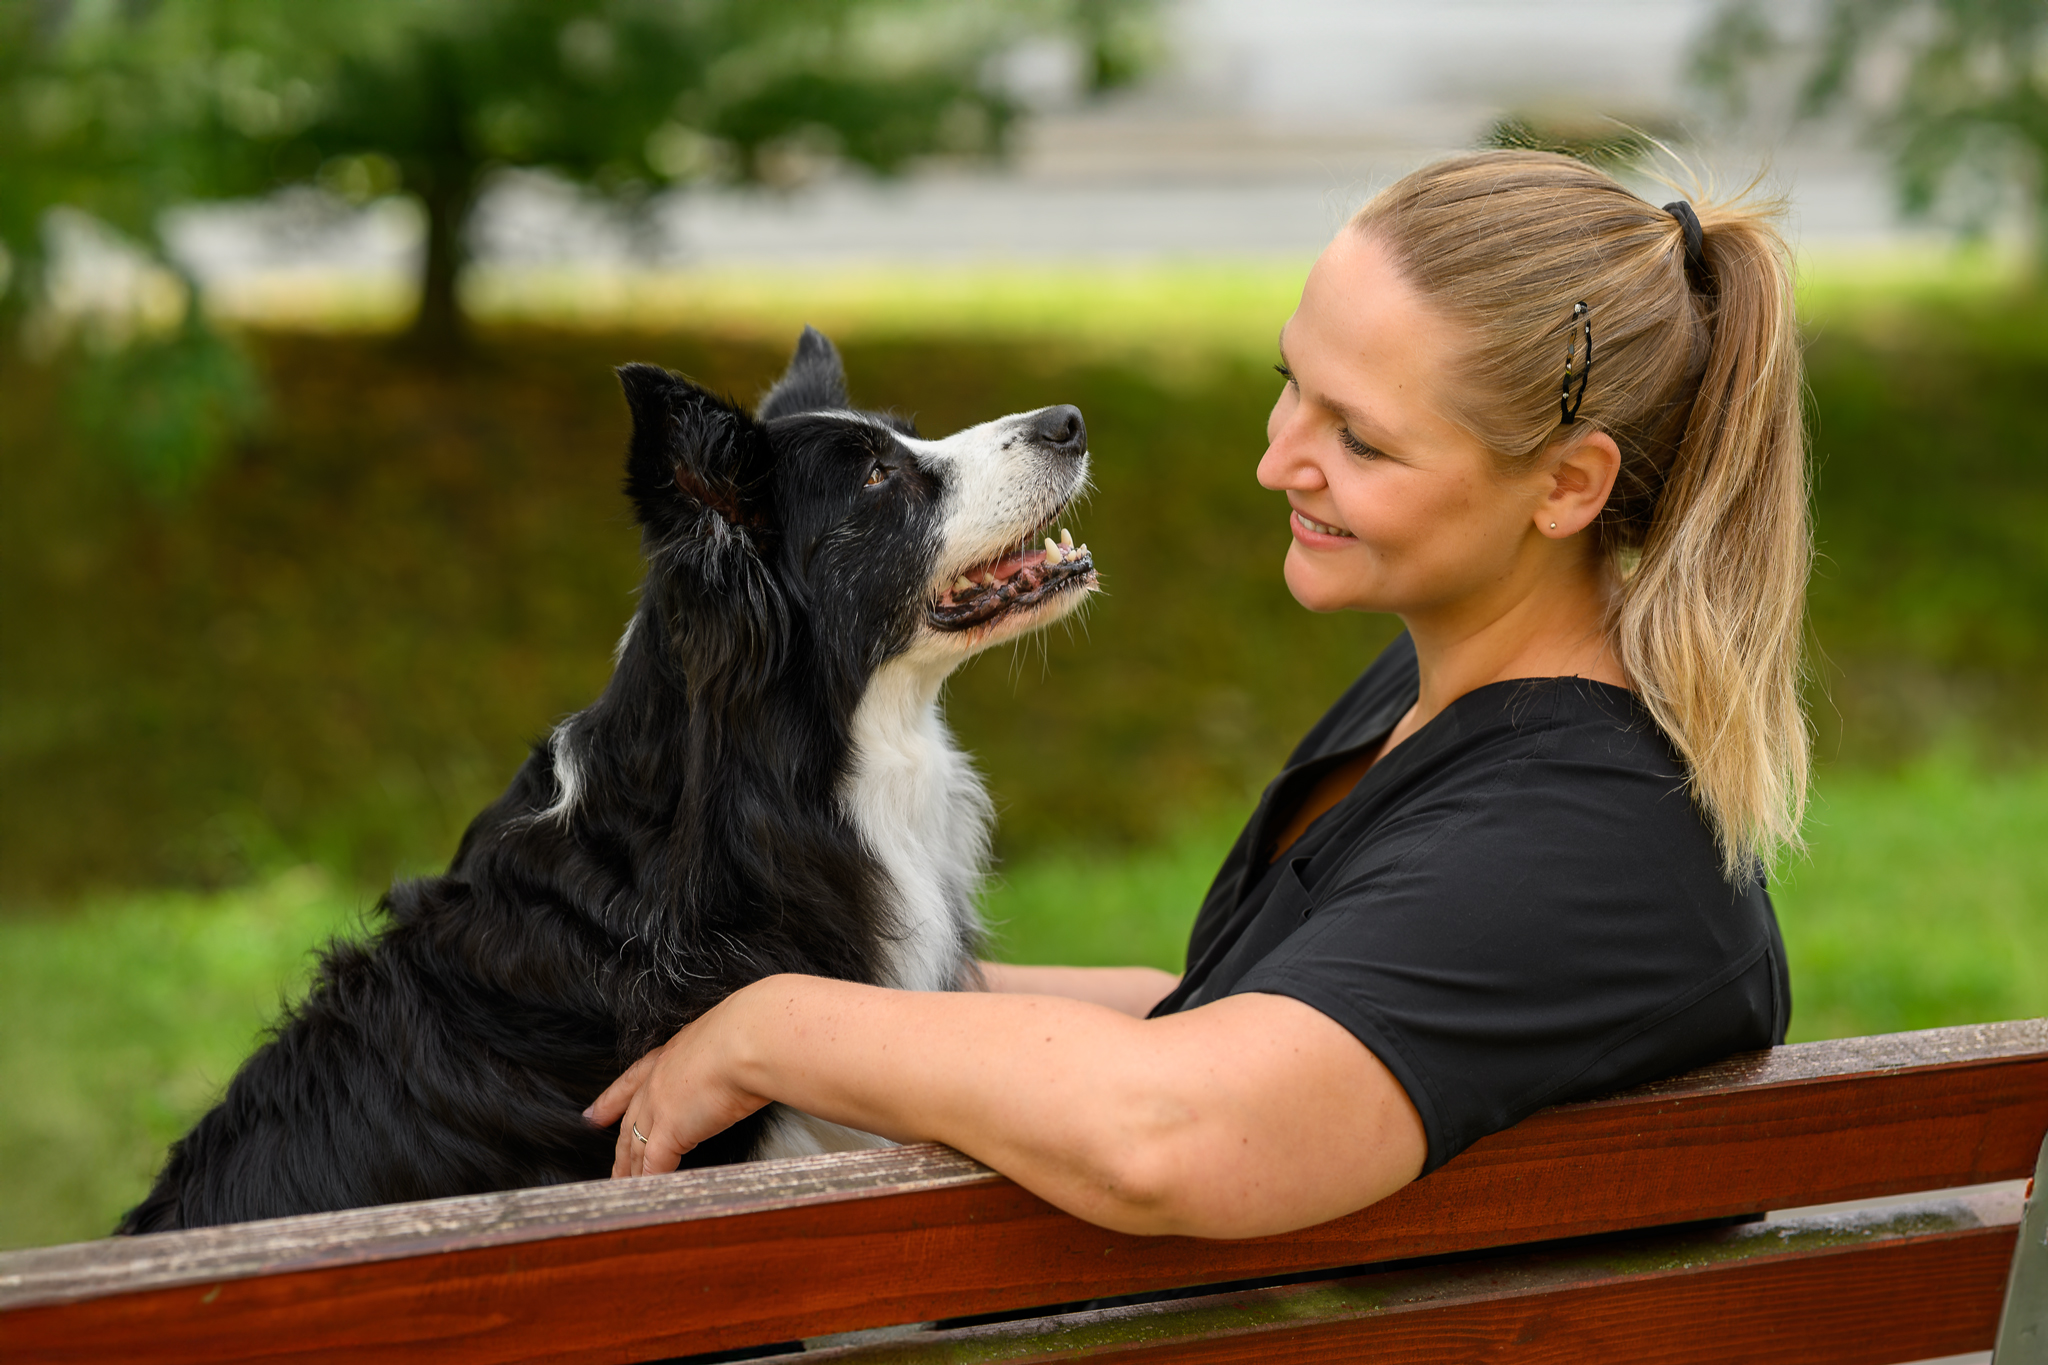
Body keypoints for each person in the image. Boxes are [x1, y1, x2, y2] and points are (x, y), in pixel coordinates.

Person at [587, 150, 1809, 1239]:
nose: (1277, 459)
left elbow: (1169, 1134)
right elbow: (1237, 1014)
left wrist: (781, 1026)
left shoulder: (1579, 844)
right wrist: (772, 980)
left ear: (1565, 485)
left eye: (1361, 440)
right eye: (1292, 383)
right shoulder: (1448, 697)